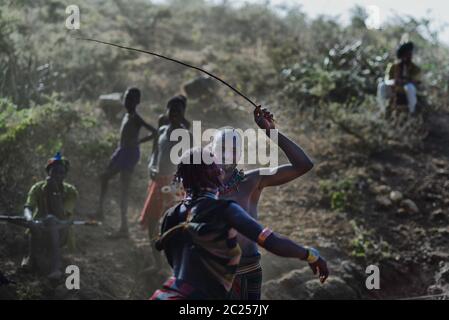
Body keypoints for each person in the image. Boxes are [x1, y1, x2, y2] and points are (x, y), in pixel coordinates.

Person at [151, 147, 328, 300]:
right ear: (213, 173)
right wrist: (311, 255)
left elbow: (176, 264)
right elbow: (271, 242)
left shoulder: (170, 216)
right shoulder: (225, 209)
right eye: (216, 166)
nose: (221, 170)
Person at [208, 106, 314, 300]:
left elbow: (303, 165)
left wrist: (271, 132)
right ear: (211, 151)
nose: (226, 154)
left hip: (247, 271)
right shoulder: (201, 187)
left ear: (239, 155)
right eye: (221, 149)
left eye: (232, 150)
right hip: (211, 272)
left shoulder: (252, 181)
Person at [97, 87, 156, 238]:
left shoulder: (135, 117)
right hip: (121, 150)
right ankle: (100, 212)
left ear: (137, 102)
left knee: (124, 189)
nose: (127, 101)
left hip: (129, 153)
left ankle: (124, 228)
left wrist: (138, 141)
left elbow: (154, 132)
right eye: (126, 98)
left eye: (131, 99)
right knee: (105, 177)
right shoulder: (127, 115)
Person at [139, 95, 190, 268]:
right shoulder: (161, 131)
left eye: (179, 110)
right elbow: (154, 154)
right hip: (158, 181)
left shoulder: (186, 135)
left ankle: (176, 265)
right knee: (152, 222)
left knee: (175, 224)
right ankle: (157, 263)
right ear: (166, 112)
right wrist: (151, 167)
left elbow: (189, 162)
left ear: (183, 113)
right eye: (172, 109)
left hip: (176, 184)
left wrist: (179, 182)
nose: (175, 113)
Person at [21, 152, 78, 280]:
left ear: (65, 175)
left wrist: (54, 193)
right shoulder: (37, 188)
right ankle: (30, 257)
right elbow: (28, 207)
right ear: (48, 172)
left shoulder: (71, 191)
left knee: (52, 221)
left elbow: (63, 215)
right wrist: (30, 219)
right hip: (39, 228)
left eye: (61, 173)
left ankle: (55, 266)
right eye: (54, 172)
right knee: (36, 225)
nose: (58, 175)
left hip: (61, 230)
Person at [377, 41, 421, 115]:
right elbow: (387, 80)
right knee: (382, 86)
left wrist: (405, 81)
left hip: (407, 92)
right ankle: (383, 112)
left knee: (410, 87)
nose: (406, 57)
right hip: (394, 89)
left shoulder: (415, 68)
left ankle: (412, 112)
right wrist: (394, 81)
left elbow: (417, 81)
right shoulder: (393, 66)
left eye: (408, 54)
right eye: (405, 54)